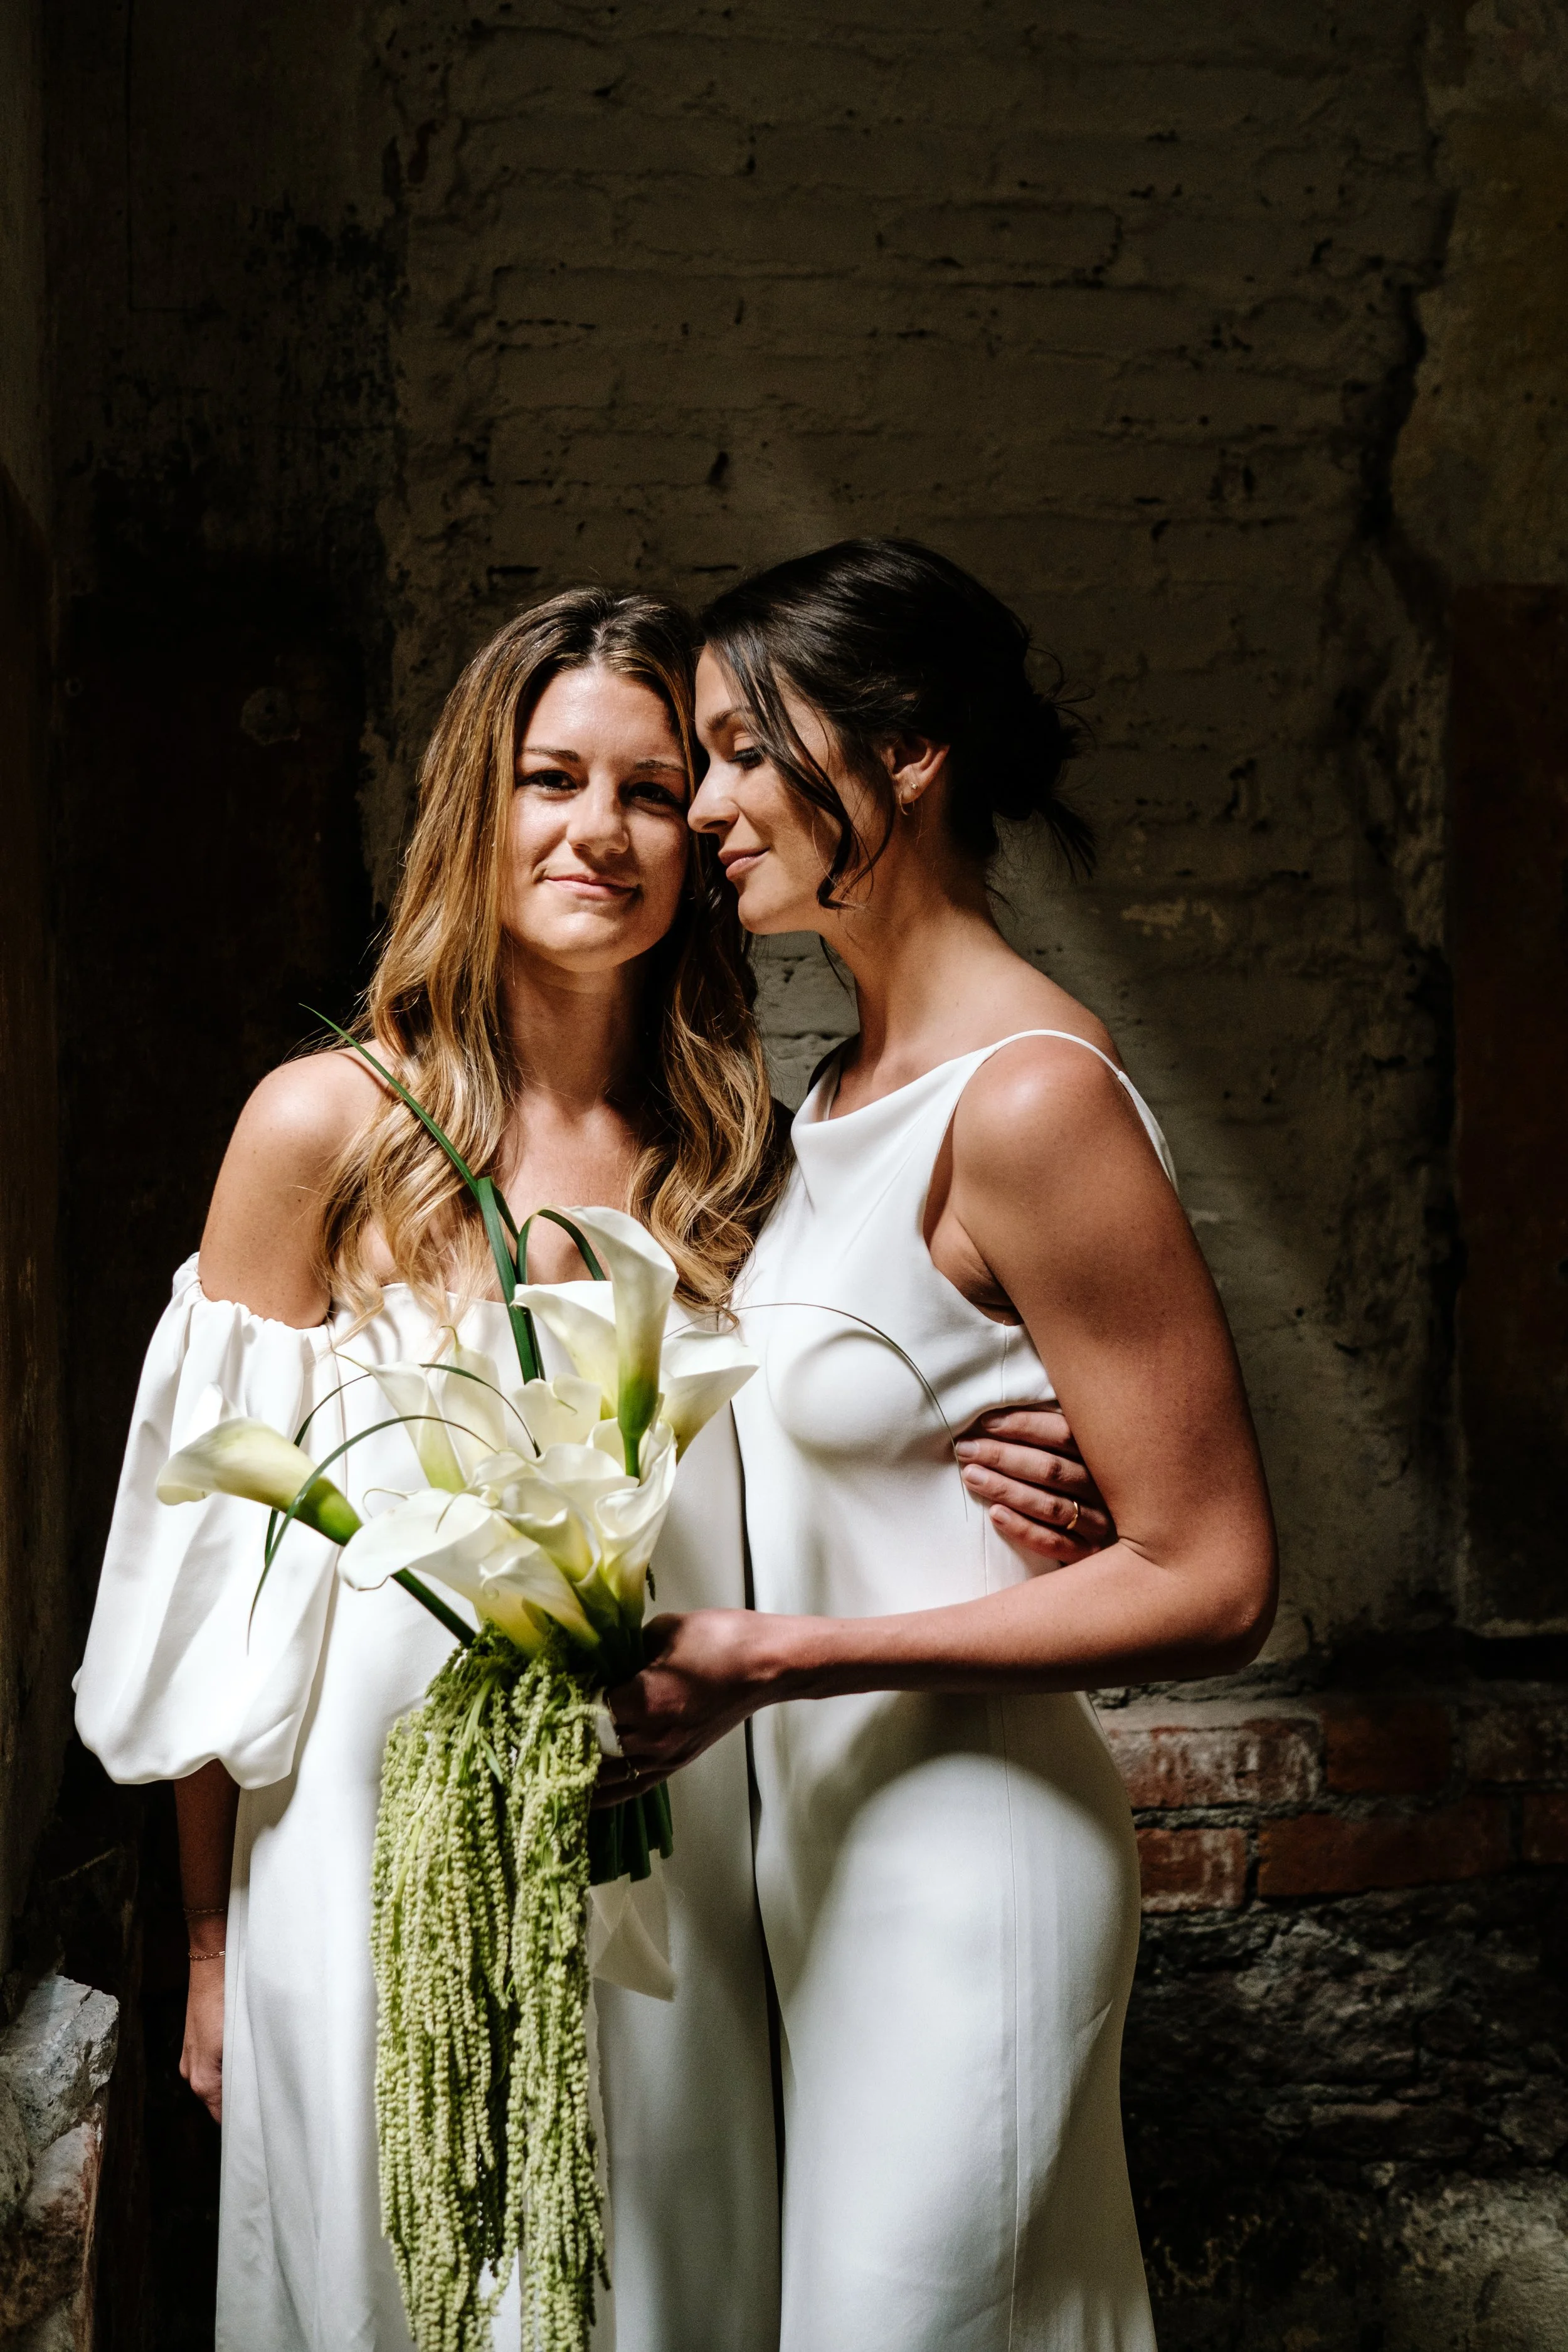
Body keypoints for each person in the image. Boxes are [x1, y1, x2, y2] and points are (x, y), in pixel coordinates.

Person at [74, 585, 1106, 2352]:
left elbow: (848, 1415)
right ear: (476, 802)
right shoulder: (324, 1128)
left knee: (654, 2285)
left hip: (670, 1858)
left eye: (651, 788)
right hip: (363, 1857)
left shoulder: (736, 1155)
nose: (602, 831)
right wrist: (208, 1940)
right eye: (553, 777)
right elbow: (208, 1589)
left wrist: (1027, 1460)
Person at [598, 539, 1279, 2352]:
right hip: (817, 1864)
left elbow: (1215, 1575)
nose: (708, 802)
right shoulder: (830, 1099)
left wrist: (774, 1658)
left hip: (965, 1861)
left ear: (908, 753)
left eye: (748, 749)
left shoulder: (1031, 1095)